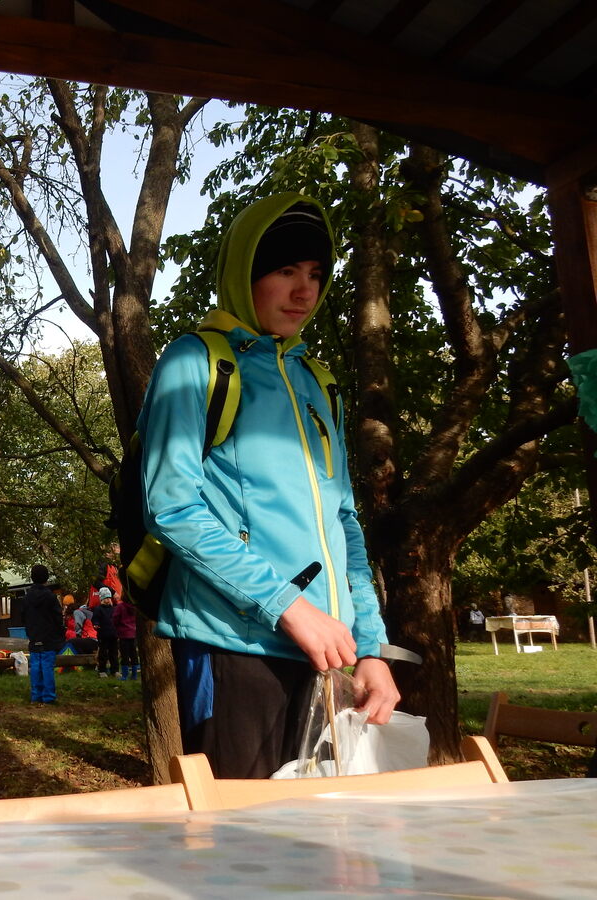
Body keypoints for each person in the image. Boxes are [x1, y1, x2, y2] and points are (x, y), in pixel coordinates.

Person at [138, 192, 399, 778]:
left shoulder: (318, 382)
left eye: (315, 274)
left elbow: (344, 523)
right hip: (233, 645)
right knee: (244, 825)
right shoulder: (195, 361)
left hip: (328, 652)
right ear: (244, 273)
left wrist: (371, 648)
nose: (304, 292)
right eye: (285, 271)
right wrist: (288, 607)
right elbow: (172, 507)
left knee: (324, 824)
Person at [22, 564, 65, 704]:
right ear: (46, 578)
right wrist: (60, 633)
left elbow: (23, 616)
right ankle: (49, 697)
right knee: (47, 667)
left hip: (34, 635)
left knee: (35, 666)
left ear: (32, 577)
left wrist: (29, 631)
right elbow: (58, 617)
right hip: (49, 637)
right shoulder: (51, 597)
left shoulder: (27, 597)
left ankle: (36, 696)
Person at [92, 587, 119, 677]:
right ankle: (102, 670)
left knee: (114, 653)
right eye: (106, 598)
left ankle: (115, 670)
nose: (108, 600)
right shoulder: (98, 609)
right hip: (103, 634)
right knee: (103, 653)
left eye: (109, 598)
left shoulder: (113, 609)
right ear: (101, 599)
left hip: (113, 634)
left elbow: (117, 619)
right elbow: (95, 618)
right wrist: (96, 624)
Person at [113, 593, 138, 680]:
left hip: (123, 634)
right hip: (133, 634)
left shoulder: (120, 607)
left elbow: (115, 618)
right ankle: (134, 675)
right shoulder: (135, 607)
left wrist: (117, 627)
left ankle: (124, 676)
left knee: (125, 655)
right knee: (134, 655)